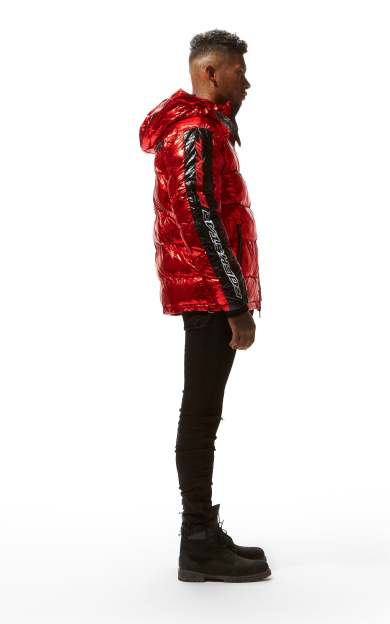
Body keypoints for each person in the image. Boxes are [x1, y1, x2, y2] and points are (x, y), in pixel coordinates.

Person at [139, 29, 270, 582]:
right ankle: (196, 542)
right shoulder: (195, 132)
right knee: (200, 415)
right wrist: (235, 303)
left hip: (207, 291)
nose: (248, 82)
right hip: (211, 297)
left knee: (203, 413)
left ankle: (202, 534)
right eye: (240, 71)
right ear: (211, 73)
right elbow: (200, 220)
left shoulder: (203, 128)